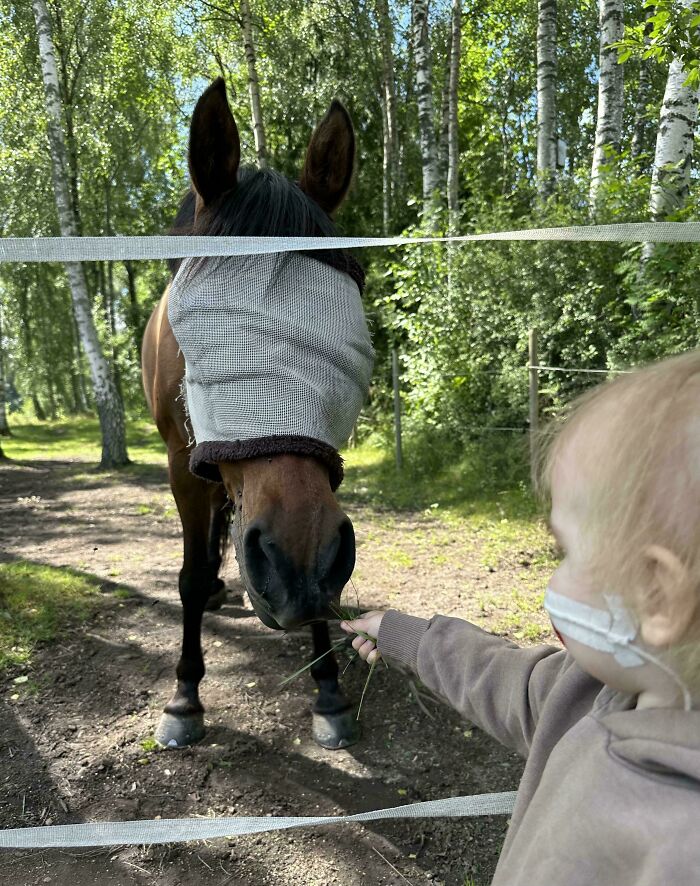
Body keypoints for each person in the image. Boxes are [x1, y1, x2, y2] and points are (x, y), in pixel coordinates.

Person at [341, 350, 700, 885]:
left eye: (565, 553)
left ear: (657, 596)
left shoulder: (678, 845)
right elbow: (511, 681)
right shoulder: (603, 691)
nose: (551, 577)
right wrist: (405, 636)